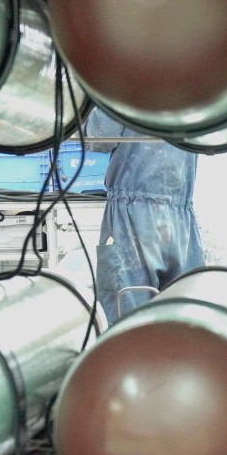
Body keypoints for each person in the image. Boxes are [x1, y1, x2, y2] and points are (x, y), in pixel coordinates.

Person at [84, 108, 206, 325]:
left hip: (133, 216)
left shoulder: (124, 84)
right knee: (187, 323)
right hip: (180, 217)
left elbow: (98, 137)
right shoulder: (192, 87)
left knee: (128, 323)